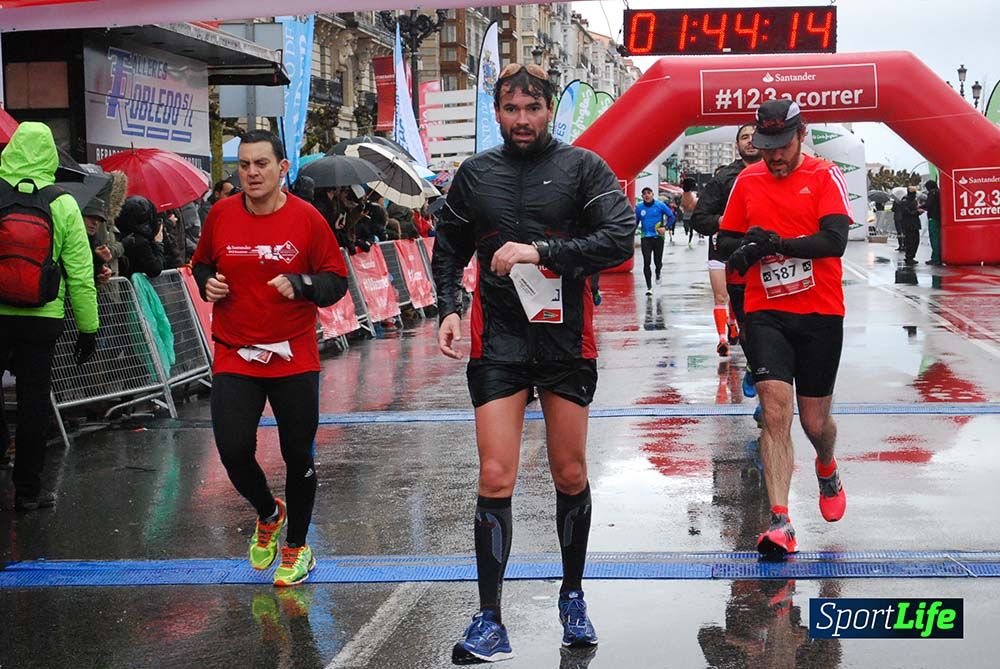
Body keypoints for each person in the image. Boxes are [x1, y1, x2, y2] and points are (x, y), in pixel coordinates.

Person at [432, 62, 634, 663]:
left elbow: (619, 238)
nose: (523, 120)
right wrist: (448, 307)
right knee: (496, 476)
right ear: (497, 113)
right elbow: (448, 250)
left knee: (569, 474)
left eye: (533, 109)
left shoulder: (583, 168)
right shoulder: (475, 174)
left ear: (550, 111)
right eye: (511, 110)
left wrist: (541, 250)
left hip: (564, 341)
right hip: (497, 343)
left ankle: (572, 595)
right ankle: (489, 617)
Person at [191, 130, 348, 586]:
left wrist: (302, 284)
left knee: (297, 453)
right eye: (244, 165)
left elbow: (335, 282)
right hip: (236, 352)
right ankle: (268, 511)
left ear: (282, 169)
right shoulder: (220, 214)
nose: (251, 173)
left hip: (292, 355)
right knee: (234, 450)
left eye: (261, 164)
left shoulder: (307, 219)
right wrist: (207, 282)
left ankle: (298, 547)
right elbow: (201, 264)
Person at [717, 99, 851, 559]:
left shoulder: (823, 174)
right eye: (767, 146)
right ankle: (780, 520)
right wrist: (749, 248)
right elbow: (725, 237)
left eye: (783, 146)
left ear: (801, 135)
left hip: (819, 312)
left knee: (815, 423)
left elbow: (835, 240)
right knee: (775, 413)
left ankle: (827, 465)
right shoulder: (747, 180)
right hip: (765, 311)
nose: (774, 156)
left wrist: (779, 243)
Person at [0, 121, 99, 510]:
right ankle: (28, 491)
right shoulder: (63, 203)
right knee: (33, 402)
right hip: (43, 317)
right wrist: (88, 327)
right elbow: (80, 273)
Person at [691, 124, 762, 369]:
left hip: (775, 261)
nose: (750, 141)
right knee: (748, 328)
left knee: (774, 328)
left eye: (754, 136)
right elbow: (699, 218)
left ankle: (767, 377)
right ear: (737, 145)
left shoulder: (779, 169)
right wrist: (723, 220)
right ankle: (756, 370)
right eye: (744, 137)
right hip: (737, 262)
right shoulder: (724, 178)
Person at [635, 186, 674, 295]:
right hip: (645, 237)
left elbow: (671, 217)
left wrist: (665, 227)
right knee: (646, 261)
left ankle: (658, 272)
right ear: (642, 196)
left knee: (658, 261)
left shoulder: (660, 205)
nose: (647, 195)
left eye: (649, 193)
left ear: (652, 194)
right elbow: (636, 222)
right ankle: (649, 287)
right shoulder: (639, 208)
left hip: (658, 237)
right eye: (644, 194)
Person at [116, 195, 165, 279]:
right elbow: (155, 269)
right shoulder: (139, 241)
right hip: (133, 286)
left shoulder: (120, 233)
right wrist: (158, 243)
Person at [900, 186, 922, 265]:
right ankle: (909, 256)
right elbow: (907, 212)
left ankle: (911, 256)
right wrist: (917, 212)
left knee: (916, 241)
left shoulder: (913, 201)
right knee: (910, 241)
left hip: (914, 223)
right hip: (908, 224)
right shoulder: (905, 201)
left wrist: (918, 209)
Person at [923, 180, 942, 265]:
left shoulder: (932, 193)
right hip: (940, 218)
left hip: (933, 218)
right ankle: (940, 256)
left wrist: (920, 207)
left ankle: (935, 258)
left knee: (934, 238)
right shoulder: (939, 192)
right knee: (939, 238)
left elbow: (929, 204)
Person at [680, 178, 698, 247]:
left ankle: (689, 239)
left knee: (691, 229)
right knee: (688, 227)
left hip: (690, 215)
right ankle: (687, 232)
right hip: (688, 215)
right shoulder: (688, 195)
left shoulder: (690, 195)